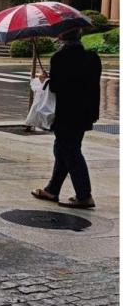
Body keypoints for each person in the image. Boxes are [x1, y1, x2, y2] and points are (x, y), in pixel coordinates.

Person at [32, 28, 101, 209]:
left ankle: (84, 195)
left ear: (62, 36)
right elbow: (91, 85)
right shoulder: (92, 58)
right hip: (86, 113)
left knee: (70, 151)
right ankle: (52, 189)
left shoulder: (60, 58)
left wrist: (45, 79)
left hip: (67, 114)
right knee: (63, 148)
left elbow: (57, 87)